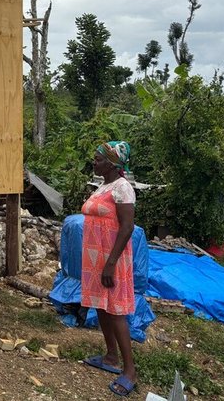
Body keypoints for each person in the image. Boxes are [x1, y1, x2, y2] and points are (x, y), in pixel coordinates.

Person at [80, 140, 138, 397]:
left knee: (115, 311)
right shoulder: (104, 186)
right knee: (101, 306)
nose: (95, 162)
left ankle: (130, 371)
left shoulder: (123, 188)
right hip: (95, 258)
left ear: (113, 164)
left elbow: (126, 228)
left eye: (99, 159)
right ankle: (110, 357)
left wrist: (111, 263)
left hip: (111, 259)